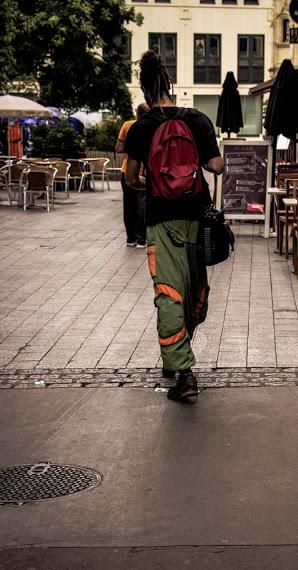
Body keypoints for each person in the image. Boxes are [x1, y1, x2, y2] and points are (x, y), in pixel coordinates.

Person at [125, 50, 224, 402]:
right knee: (194, 291)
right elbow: (217, 166)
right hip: (198, 218)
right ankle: (178, 354)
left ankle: (183, 373)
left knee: (168, 292)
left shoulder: (142, 127)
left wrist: (153, 181)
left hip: (161, 221)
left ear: (145, 90)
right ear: (168, 84)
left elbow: (131, 177)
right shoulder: (197, 119)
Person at [116, 103, 150, 247]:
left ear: (137, 113)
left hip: (127, 170)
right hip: (146, 173)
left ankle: (131, 238)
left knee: (129, 206)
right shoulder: (152, 127)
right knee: (143, 204)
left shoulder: (127, 125)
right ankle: (142, 238)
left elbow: (119, 148)